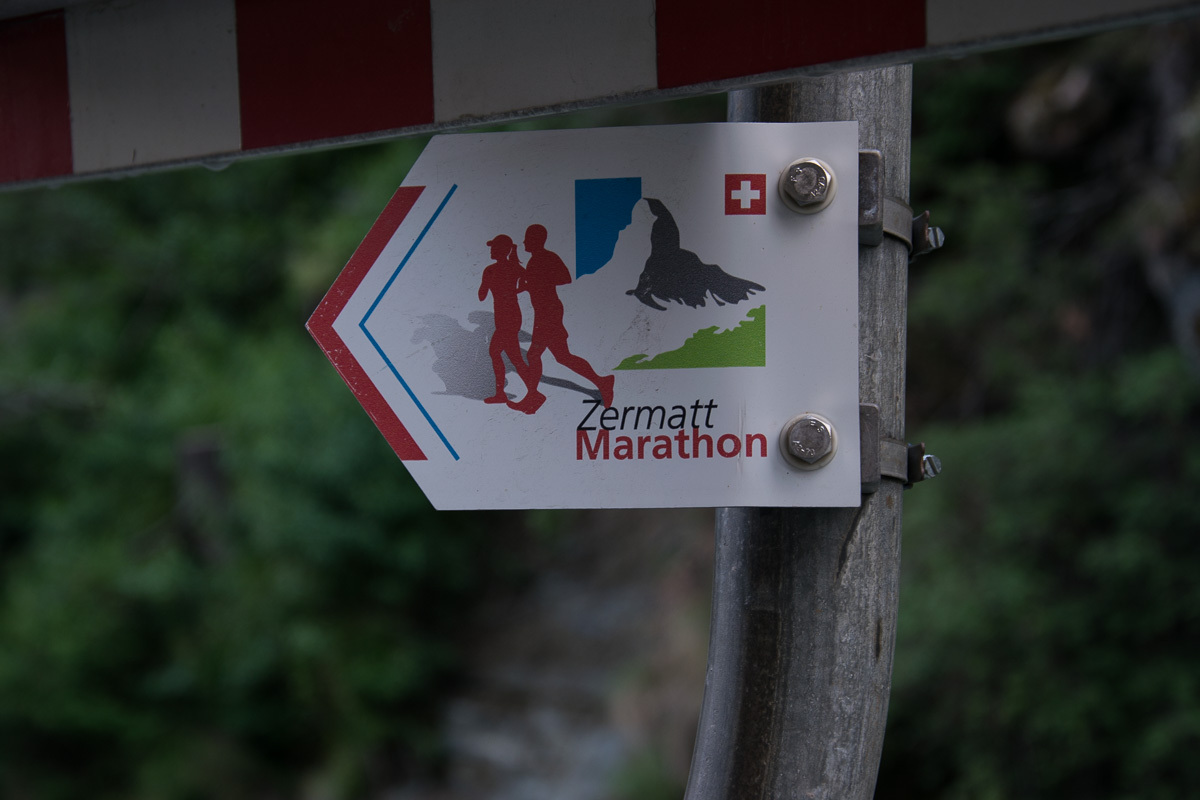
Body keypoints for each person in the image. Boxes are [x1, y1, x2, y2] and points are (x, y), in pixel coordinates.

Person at [514, 224, 614, 414]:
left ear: (536, 240)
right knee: (562, 357)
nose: (524, 242)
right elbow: (536, 284)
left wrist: (539, 280)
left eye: (527, 238)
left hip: (548, 313)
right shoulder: (534, 260)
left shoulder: (547, 257)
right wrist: (527, 286)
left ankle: (533, 396)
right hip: (544, 312)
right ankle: (602, 382)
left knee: (534, 355)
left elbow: (565, 277)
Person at [477, 234, 542, 407]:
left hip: (507, 317)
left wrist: (493, 284)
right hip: (509, 315)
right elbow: (529, 284)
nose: (491, 250)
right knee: (511, 356)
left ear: (501, 250)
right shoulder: (514, 268)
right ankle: (529, 393)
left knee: (500, 353)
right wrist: (514, 290)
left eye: (493, 247)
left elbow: (481, 295)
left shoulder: (490, 270)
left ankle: (529, 393)